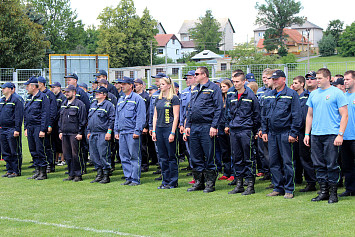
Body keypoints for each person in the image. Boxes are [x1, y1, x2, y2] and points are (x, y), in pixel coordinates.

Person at [304, 68, 348, 203]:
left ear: (328, 78)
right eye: (316, 78)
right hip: (316, 134)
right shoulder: (314, 94)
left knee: (332, 164)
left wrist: (340, 134)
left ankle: (333, 192)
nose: (317, 80)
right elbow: (309, 115)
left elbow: (344, 115)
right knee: (318, 164)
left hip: (331, 134)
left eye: (319, 78)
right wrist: (307, 133)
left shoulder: (337, 93)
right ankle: (324, 191)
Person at [262, 70, 302, 199]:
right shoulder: (269, 95)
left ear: (284, 79)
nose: (274, 81)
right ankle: (277, 187)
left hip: (285, 133)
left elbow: (297, 115)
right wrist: (264, 131)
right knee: (273, 161)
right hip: (272, 133)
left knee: (287, 162)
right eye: (273, 79)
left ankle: (289, 189)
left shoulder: (291, 94)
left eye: (276, 79)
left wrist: (293, 133)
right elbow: (264, 115)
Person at [185, 67, 223, 193]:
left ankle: (210, 183)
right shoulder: (195, 89)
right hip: (195, 126)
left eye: (196, 74)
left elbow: (218, 108)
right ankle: (198, 181)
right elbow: (190, 109)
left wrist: (214, 125)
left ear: (204, 74)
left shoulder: (213, 88)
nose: (194, 76)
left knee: (209, 155)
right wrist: (188, 125)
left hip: (207, 125)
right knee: (195, 155)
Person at [226, 73, 261, 195]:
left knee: (249, 157)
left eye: (237, 81)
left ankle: (250, 185)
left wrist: (255, 130)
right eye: (233, 81)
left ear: (243, 82)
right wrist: (229, 124)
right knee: (237, 157)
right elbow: (228, 112)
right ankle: (239, 184)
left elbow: (256, 114)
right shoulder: (232, 95)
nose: (235, 84)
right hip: (234, 129)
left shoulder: (250, 95)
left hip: (246, 130)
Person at [114, 77, 146, 186]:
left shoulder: (137, 99)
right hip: (122, 132)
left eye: (124, 84)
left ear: (130, 85)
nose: (121, 86)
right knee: (124, 156)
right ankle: (128, 177)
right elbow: (117, 117)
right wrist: (116, 130)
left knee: (134, 156)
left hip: (132, 132)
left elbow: (141, 117)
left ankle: (135, 179)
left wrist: (137, 131)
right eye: (121, 84)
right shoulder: (121, 99)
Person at [152, 77, 180, 189]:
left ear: (169, 85)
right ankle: (165, 180)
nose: (160, 86)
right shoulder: (158, 99)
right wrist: (154, 130)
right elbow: (155, 116)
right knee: (162, 157)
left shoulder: (174, 98)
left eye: (163, 84)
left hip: (169, 128)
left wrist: (173, 132)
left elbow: (176, 116)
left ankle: (173, 181)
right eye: (160, 84)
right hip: (159, 129)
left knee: (171, 156)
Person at [59, 85, 87, 182]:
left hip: (74, 134)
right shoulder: (64, 104)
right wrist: (60, 131)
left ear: (74, 93)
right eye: (65, 92)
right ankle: (71, 174)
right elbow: (60, 119)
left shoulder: (79, 104)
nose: (66, 94)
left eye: (68, 92)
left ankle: (78, 174)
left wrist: (80, 133)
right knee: (67, 155)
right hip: (65, 134)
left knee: (75, 155)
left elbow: (82, 120)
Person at [87, 86, 115, 184]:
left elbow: (112, 119)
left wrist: (109, 132)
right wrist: (89, 131)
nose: (96, 94)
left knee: (104, 154)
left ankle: (106, 175)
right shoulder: (93, 104)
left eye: (99, 93)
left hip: (102, 133)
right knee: (94, 155)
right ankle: (99, 174)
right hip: (93, 133)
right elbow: (90, 119)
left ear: (104, 95)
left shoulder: (108, 105)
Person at [24, 77, 50, 180]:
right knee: (32, 149)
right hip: (30, 127)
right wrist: (26, 127)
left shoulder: (43, 97)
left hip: (38, 126)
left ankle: (43, 172)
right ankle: (37, 170)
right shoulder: (29, 98)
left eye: (28, 86)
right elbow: (26, 113)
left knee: (40, 149)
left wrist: (43, 129)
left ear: (34, 86)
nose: (26, 88)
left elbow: (45, 114)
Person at [297, 72, 317, 192]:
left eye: (312, 78)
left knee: (320, 158)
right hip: (303, 131)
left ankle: (324, 182)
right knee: (304, 157)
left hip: (318, 130)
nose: (309, 80)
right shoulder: (301, 95)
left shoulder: (319, 94)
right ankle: (311, 182)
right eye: (307, 78)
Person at [0, 82, 24, 178]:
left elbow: (18, 116)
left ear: (10, 89)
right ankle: (9, 170)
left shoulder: (16, 100)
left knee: (14, 150)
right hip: (2, 129)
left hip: (12, 129)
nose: (2, 90)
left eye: (4, 88)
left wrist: (17, 129)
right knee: (5, 151)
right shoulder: (2, 100)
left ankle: (16, 170)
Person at [37, 76, 58, 173]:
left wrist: (50, 124)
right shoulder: (38, 95)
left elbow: (52, 110)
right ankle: (41, 164)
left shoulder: (49, 94)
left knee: (49, 145)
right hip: (40, 124)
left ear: (41, 83)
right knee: (41, 145)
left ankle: (51, 164)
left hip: (48, 124)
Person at [340, 70, 355, 197]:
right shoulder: (342, 97)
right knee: (347, 165)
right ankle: (350, 189)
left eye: (348, 79)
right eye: (344, 80)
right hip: (344, 137)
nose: (345, 82)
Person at [256, 69, 271, 181]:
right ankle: (266, 172)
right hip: (263, 125)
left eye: (267, 78)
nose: (265, 80)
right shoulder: (260, 91)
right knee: (263, 152)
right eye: (264, 78)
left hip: (273, 127)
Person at [180, 70, 196, 178]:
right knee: (189, 147)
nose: (187, 80)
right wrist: (181, 124)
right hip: (186, 123)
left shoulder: (200, 90)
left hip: (196, 123)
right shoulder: (185, 92)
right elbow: (182, 109)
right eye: (187, 78)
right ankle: (193, 168)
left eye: (190, 78)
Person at [217, 79, 233, 181]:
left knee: (232, 151)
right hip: (220, 127)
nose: (222, 89)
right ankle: (226, 172)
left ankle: (233, 173)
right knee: (224, 151)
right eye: (221, 87)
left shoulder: (232, 98)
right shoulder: (220, 99)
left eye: (224, 87)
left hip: (230, 127)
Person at [134, 78, 150, 172]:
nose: (135, 86)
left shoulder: (145, 96)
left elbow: (147, 112)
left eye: (136, 85)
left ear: (141, 85)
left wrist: (145, 126)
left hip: (143, 125)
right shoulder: (134, 96)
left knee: (143, 146)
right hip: (135, 124)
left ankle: (144, 164)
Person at [49, 82, 66, 166]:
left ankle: (62, 159)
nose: (52, 89)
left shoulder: (62, 97)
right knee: (54, 141)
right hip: (54, 122)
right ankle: (56, 159)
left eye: (54, 87)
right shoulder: (53, 97)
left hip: (59, 121)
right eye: (51, 87)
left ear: (59, 87)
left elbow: (60, 111)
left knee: (60, 141)